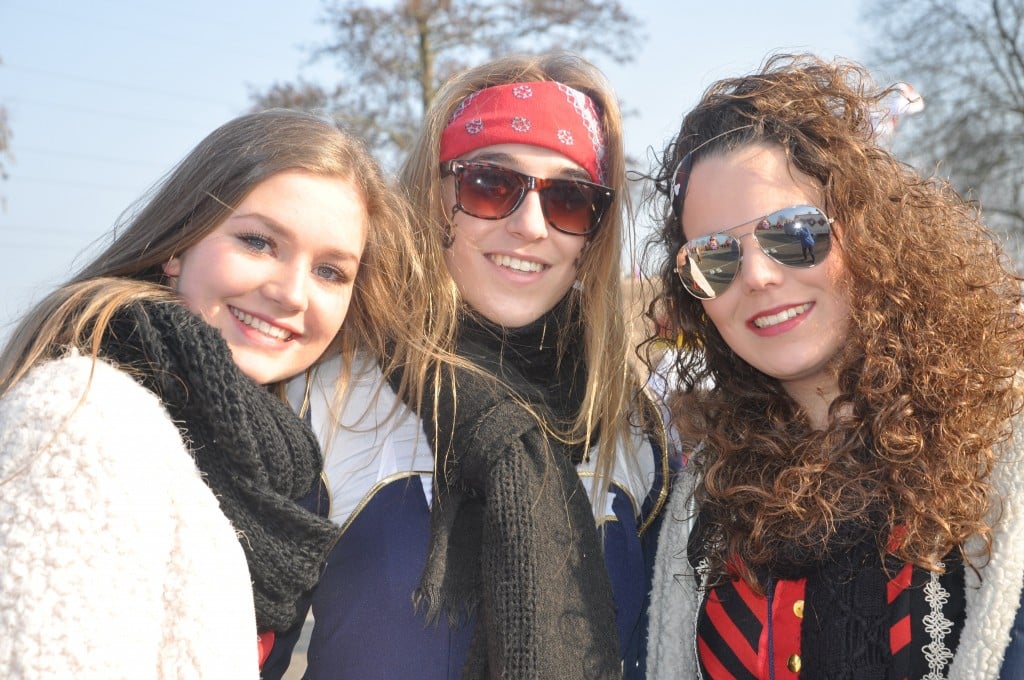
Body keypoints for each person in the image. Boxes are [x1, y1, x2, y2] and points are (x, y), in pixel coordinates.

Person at [282, 51, 671, 680]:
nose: (531, 226)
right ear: (435, 199)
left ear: (592, 236)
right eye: (490, 184)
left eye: (570, 199)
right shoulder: (327, 398)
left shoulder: (633, 431)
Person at [641, 54, 1024, 679]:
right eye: (713, 257)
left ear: (871, 233)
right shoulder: (700, 497)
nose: (757, 276)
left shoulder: (1000, 447)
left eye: (793, 232)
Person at [0, 108, 412, 677]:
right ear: (177, 244)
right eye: (259, 242)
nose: (293, 294)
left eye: (330, 272)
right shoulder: (83, 416)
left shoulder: (269, 460)